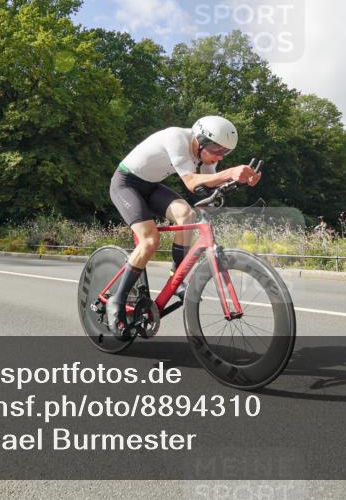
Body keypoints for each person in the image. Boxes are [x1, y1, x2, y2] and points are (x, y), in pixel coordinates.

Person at [107, 116, 261, 338]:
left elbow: (208, 186)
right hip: (126, 184)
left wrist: (239, 181)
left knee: (187, 215)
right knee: (150, 240)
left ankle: (175, 277)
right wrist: (230, 172)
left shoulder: (207, 155)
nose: (219, 156)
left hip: (151, 187)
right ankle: (117, 300)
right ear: (199, 140)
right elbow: (191, 182)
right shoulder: (176, 137)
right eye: (216, 149)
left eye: (225, 153)